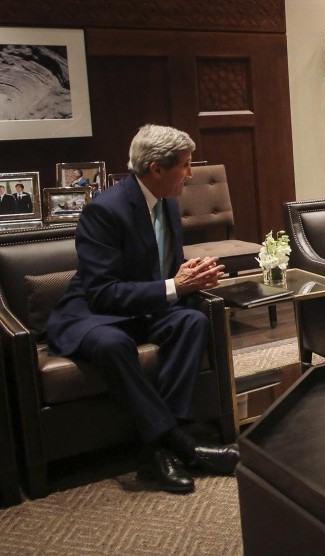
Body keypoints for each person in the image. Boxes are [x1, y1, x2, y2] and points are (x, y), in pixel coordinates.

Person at [45, 124, 239, 493]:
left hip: (141, 308)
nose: (191, 173)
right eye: (184, 165)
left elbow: (166, 268)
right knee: (112, 344)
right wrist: (173, 286)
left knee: (192, 322)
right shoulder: (104, 211)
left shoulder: (167, 201)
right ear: (155, 168)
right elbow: (102, 292)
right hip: (91, 313)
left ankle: (156, 453)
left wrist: (187, 276)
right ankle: (182, 444)